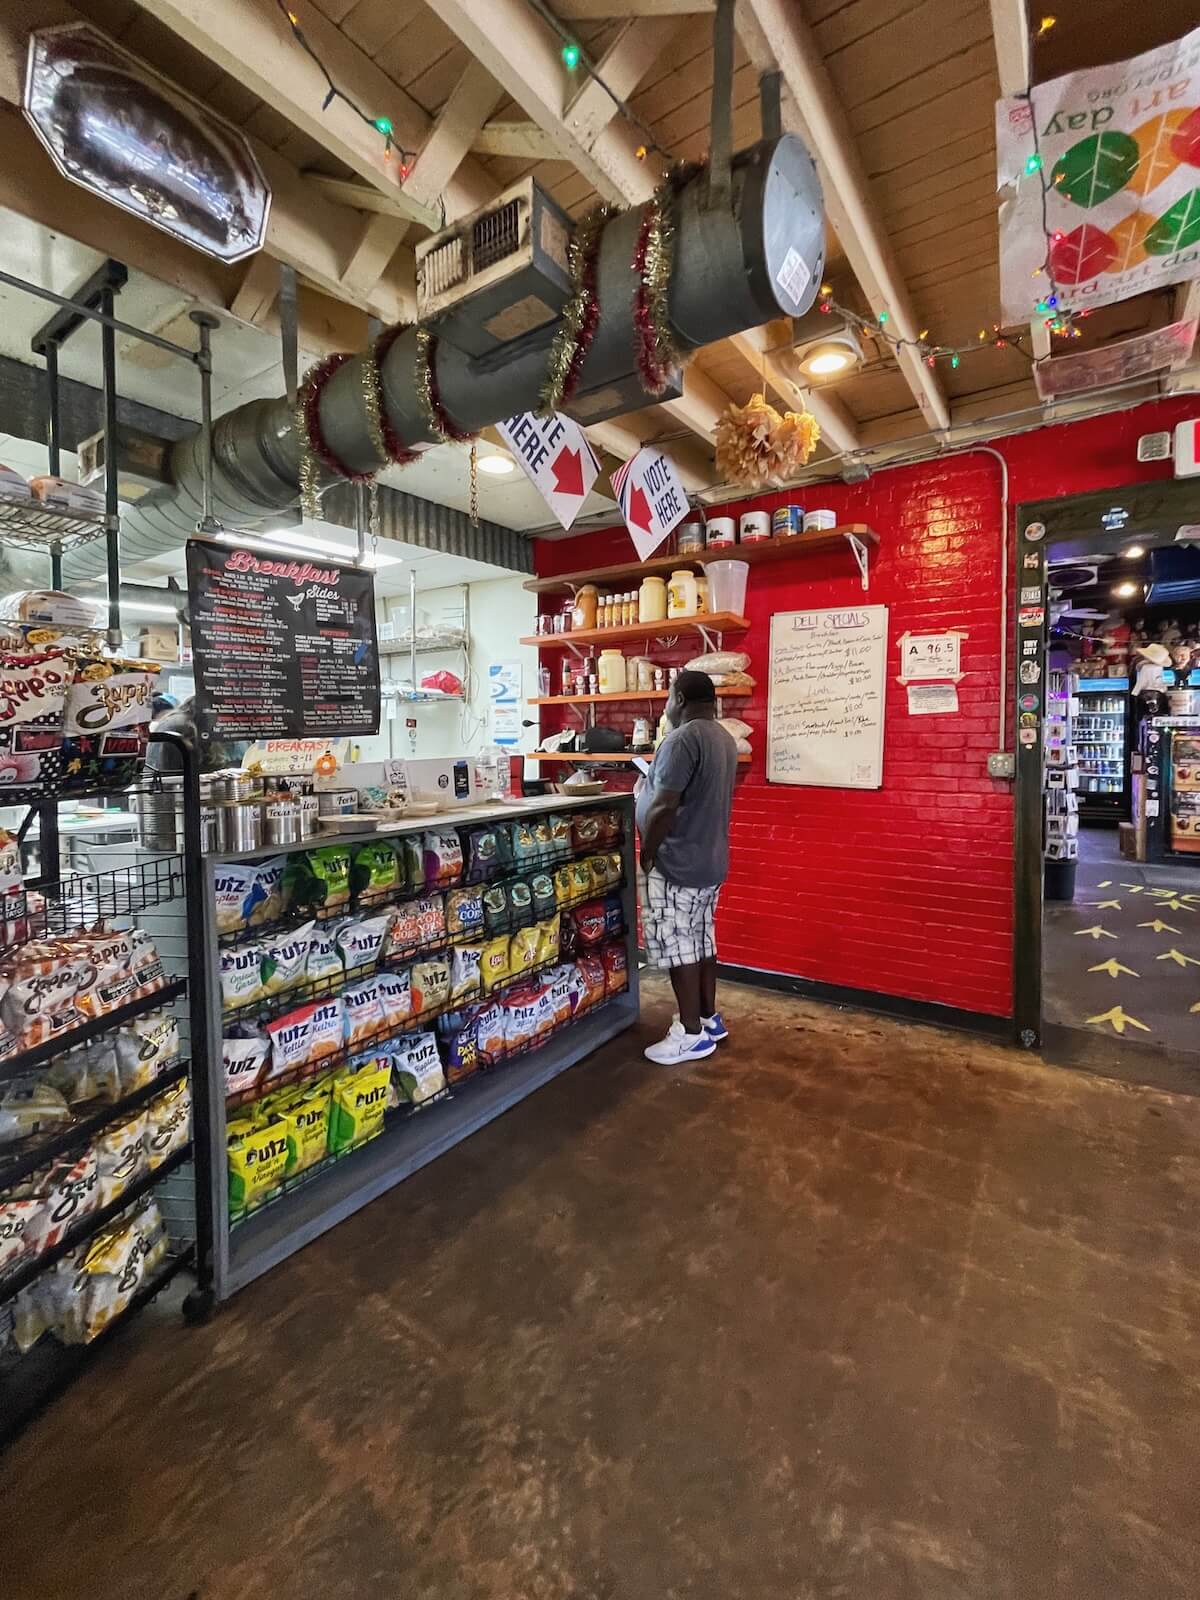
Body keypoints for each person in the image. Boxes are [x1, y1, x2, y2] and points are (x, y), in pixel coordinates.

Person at [635, 669, 738, 1064]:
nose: (665, 707)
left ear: (678, 699)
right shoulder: (723, 737)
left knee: (680, 949)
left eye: (667, 699)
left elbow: (663, 807)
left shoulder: (681, 740)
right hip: (710, 859)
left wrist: (648, 851)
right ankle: (710, 1019)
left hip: (677, 862)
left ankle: (690, 1034)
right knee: (702, 941)